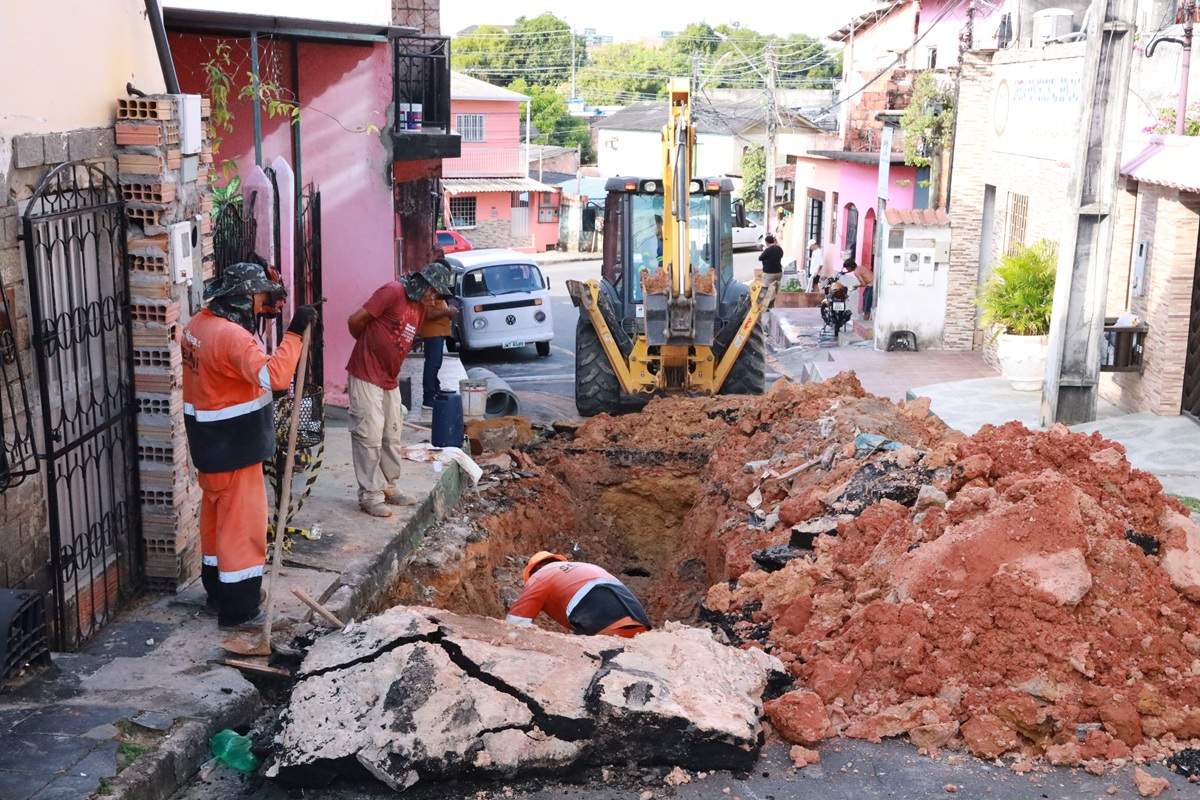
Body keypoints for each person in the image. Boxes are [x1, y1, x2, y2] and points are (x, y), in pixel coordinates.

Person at [181, 262, 317, 629]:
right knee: (242, 531)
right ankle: (240, 607)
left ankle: (217, 593)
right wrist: (294, 335)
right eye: (259, 298)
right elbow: (274, 377)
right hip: (235, 450)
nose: (264, 305)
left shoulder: (197, 326)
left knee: (214, 526)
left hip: (209, 449)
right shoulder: (232, 338)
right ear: (241, 300)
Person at [345, 262, 455, 518]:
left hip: (389, 378)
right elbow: (355, 321)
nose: (434, 299)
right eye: (434, 292)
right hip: (366, 373)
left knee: (391, 434)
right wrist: (368, 349)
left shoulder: (419, 307)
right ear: (423, 284)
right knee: (368, 435)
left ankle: (388, 487)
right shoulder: (392, 291)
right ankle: (370, 495)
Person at [506, 552, 652, 638]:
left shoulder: (540, 576)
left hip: (603, 622)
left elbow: (516, 623)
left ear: (533, 571)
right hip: (640, 624)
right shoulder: (586, 567)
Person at [417, 246, 459, 409]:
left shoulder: (435, 288)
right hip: (432, 332)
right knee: (432, 364)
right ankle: (428, 398)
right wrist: (447, 311)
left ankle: (435, 389)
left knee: (435, 364)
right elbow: (428, 313)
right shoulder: (429, 289)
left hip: (438, 331)